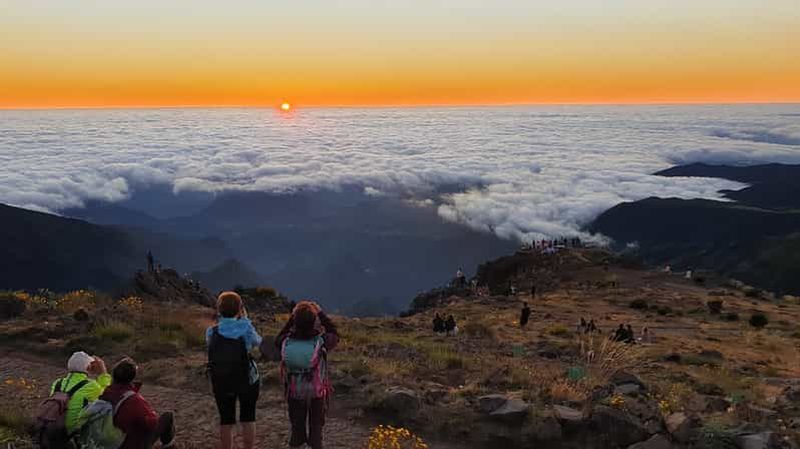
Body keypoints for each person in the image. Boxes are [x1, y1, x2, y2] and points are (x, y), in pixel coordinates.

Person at [276, 301, 339, 449]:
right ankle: (315, 444)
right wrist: (321, 314)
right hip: (316, 392)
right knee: (316, 426)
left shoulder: (286, 341)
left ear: (295, 321)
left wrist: (292, 317)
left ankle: (297, 442)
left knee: (297, 425)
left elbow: (278, 337)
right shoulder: (321, 341)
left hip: (294, 391)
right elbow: (334, 334)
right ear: (314, 322)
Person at [206, 292, 263, 449]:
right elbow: (258, 342)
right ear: (240, 309)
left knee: (226, 420)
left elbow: (209, 347)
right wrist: (244, 319)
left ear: (219, 309)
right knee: (248, 418)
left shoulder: (212, 331)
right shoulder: (246, 328)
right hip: (247, 379)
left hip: (221, 380)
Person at [98, 357, 176, 449]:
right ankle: (168, 446)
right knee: (167, 416)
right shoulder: (133, 400)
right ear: (132, 377)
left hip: (108, 441)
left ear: (113, 375)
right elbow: (152, 424)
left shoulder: (105, 393)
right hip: (128, 444)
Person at [50, 351, 111, 437]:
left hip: (53, 427)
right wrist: (103, 373)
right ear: (88, 367)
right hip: (73, 433)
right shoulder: (91, 386)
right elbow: (108, 395)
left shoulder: (57, 383)